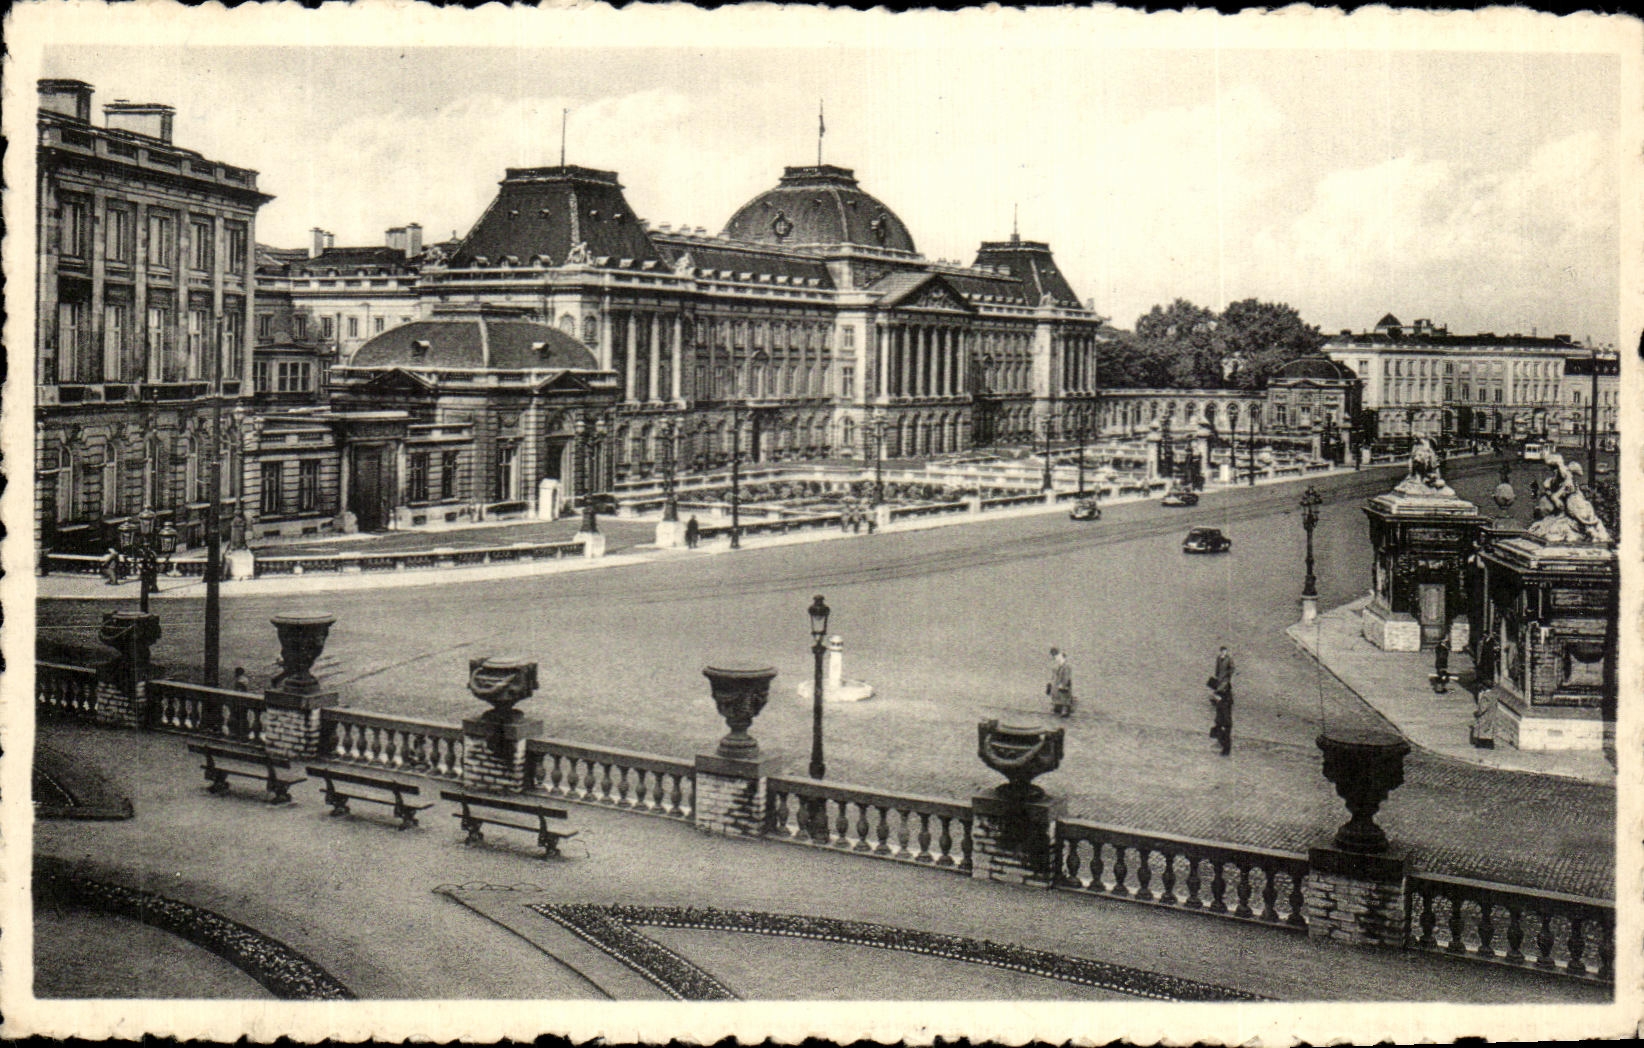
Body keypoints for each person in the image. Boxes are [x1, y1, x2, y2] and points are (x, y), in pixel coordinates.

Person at [1207, 646, 1235, 756]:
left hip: (1224, 717)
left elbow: (1232, 669)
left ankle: (1225, 747)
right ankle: (1223, 744)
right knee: (1221, 724)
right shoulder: (1219, 658)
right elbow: (1217, 669)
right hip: (1221, 685)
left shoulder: (1228, 659)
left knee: (1224, 726)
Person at [1046, 647, 1075, 719]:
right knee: (1060, 694)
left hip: (1061, 679)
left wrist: (1062, 683)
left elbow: (1061, 671)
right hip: (1060, 679)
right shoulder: (1060, 661)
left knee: (1062, 694)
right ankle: (1060, 708)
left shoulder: (1061, 662)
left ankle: (1063, 710)